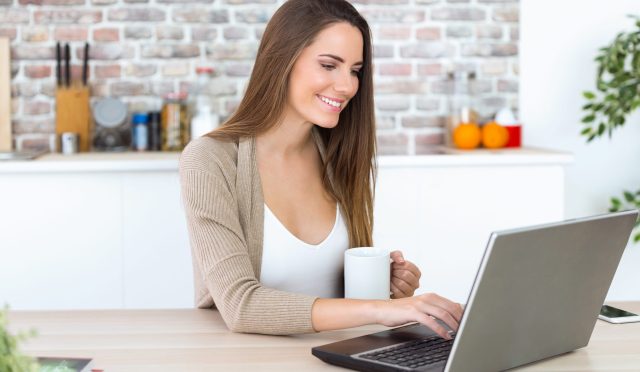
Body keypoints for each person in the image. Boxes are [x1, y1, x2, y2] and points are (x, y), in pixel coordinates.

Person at [179, 0, 462, 337]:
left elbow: (345, 302)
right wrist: (381, 309)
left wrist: (386, 288)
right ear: (281, 61)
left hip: (335, 355)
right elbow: (241, 306)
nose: (347, 86)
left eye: (355, 70)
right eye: (329, 65)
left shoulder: (338, 155)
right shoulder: (210, 160)